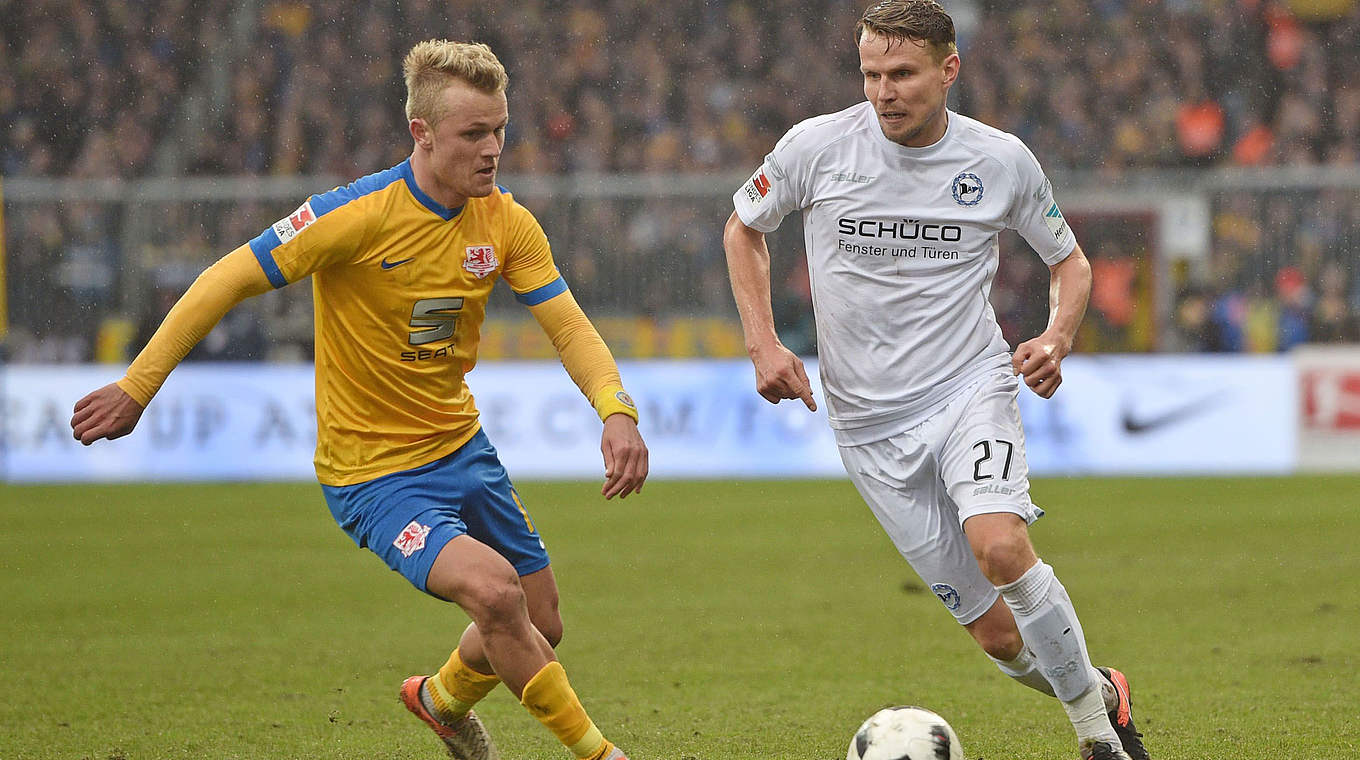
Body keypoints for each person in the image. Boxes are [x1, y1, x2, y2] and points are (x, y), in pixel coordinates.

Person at [70, 40, 645, 760]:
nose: (493, 149)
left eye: (499, 129)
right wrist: (138, 385)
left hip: (461, 447)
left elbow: (567, 325)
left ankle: (439, 701)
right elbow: (227, 278)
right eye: (474, 133)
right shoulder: (354, 216)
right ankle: (602, 755)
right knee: (497, 596)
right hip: (372, 474)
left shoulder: (506, 223)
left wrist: (615, 407)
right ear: (422, 133)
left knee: (540, 619)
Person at [721, 3, 1148, 760]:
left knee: (1002, 547)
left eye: (903, 74)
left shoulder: (1000, 161)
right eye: (871, 74)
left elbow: (1069, 262)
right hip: (866, 427)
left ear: (949, 70)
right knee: (998, 637)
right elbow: (744, 227)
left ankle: (1096, 738)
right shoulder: (816, 147)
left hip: (967, 390)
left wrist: (1056, 335)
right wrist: (762, 343)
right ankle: (1100, 690)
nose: (884, 91)